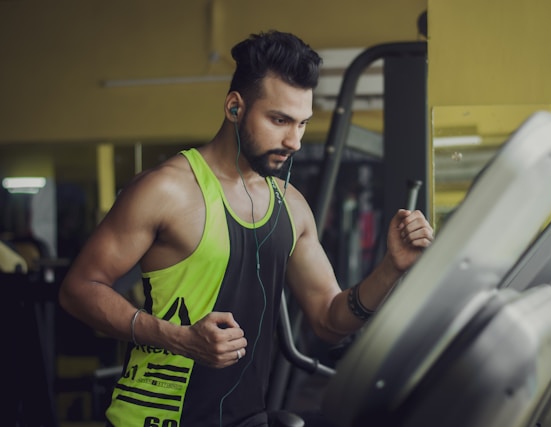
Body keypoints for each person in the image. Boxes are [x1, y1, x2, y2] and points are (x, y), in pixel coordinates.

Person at [58, 30, 434, 427]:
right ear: (235, 107)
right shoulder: (166, 190)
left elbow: (328, 318)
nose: (294, 141)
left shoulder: (291, 206)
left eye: (302, 124)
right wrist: (179, 338)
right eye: (279, 120)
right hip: (153, 418)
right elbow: (78, 289)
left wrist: (392, 267)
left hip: (246, 420)